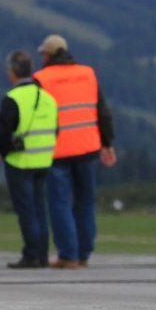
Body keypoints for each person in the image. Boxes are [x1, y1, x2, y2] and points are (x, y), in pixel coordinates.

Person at [33, 34, 116, 269]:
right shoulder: (87, 74)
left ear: (47, 55)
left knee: (60, 203)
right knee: (86, 202)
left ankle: (68, 255)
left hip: (57, 150)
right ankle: (83, 254)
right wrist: (107, 143)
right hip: (88, 147)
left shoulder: (41, 78)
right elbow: (102, 111)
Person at [0, 50, 58, 270]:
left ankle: (31, 254)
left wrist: (2, 152)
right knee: (40, 209)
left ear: (13, 71)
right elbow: (56, 129)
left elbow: (4, 133)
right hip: (44, 160)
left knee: (26, 210)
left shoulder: (13, 98)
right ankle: (42, 254)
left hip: (19, 161)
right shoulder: (47, 97)